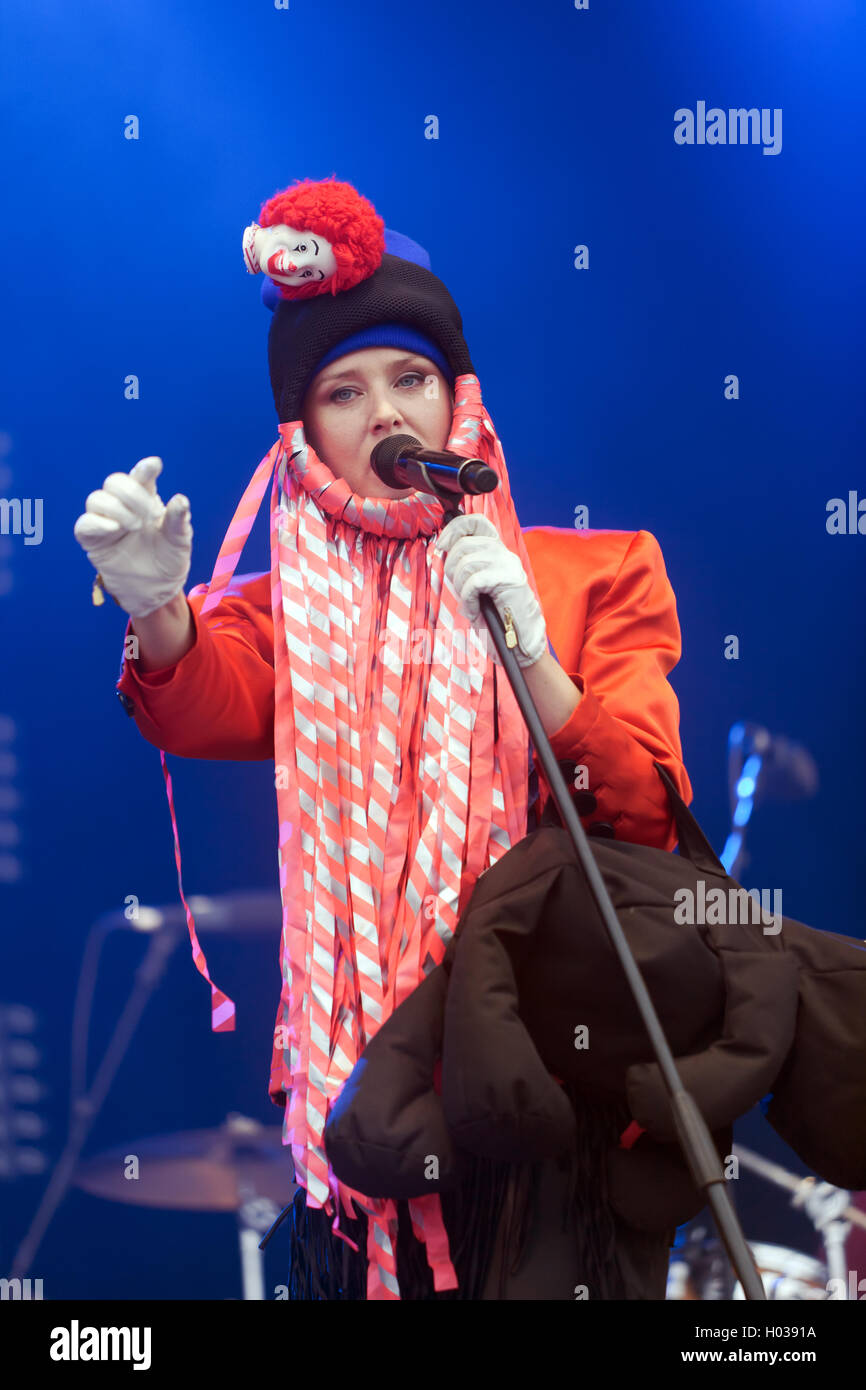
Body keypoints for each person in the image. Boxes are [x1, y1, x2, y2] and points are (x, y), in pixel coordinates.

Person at [73, 176, 693, 1300]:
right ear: (302, 431)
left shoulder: (596, 572)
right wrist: (157, 611)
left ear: (459, 399)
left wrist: (526, 650)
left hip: (557, 1095)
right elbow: (203, 698)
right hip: (375, 1111)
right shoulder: (289, 607)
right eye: (343, 392)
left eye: (410, 379)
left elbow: (648, 804)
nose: (385, 416)